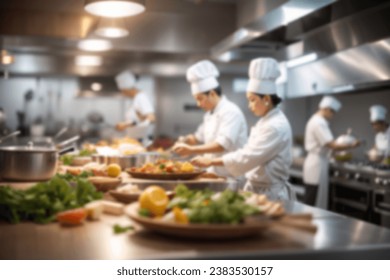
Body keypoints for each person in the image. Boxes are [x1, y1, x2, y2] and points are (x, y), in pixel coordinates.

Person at [191, 57, 295, 200]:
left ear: (266, 99)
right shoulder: (265, 121)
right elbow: (247, 152)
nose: (249, 105)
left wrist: (211, 161)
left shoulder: (275, 126)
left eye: (252, 100)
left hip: (270, 194)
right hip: (257, 189)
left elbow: (248, 156)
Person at [172, 60, 248, 178]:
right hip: (214, 174)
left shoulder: (231, 112)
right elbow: (198, 137)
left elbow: (221, 145)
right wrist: (184, 140)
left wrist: (191, 150)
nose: (198, 104)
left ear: (212, 94)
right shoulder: (209, 114)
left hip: (231, 177)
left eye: (199, 98)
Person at [303, 96, 360, 209]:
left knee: (314, 198)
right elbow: (332, 145)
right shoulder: (319, 123)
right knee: (313, 201)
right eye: (332, 112)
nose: (332, 116)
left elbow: (327, 144)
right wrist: (352, 145)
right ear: (326, 109)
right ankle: (311, 224)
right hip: (316, 165)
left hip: (316, 162)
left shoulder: (315, 120)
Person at [114, 70, 156, 135]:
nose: (123, 93)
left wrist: (135, 126)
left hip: (143, 140)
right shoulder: (136, 99)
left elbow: (152, 118)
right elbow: (140, 119)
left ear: (127, 89)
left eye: (123, 91)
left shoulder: (141, 97)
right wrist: (126, 124)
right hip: (136, 138)